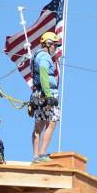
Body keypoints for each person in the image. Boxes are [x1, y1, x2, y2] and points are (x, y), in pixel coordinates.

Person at [29, 32, 61, 163]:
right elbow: (43, 75)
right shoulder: (45, 57)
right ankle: (41, 155)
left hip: (37, 95)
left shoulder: (36, 56)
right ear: (48, 44)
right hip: (47, 94)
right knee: (51, 123)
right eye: (54, 45)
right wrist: (49, 96)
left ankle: (36, 155)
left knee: (38, 127)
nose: (55, 48)